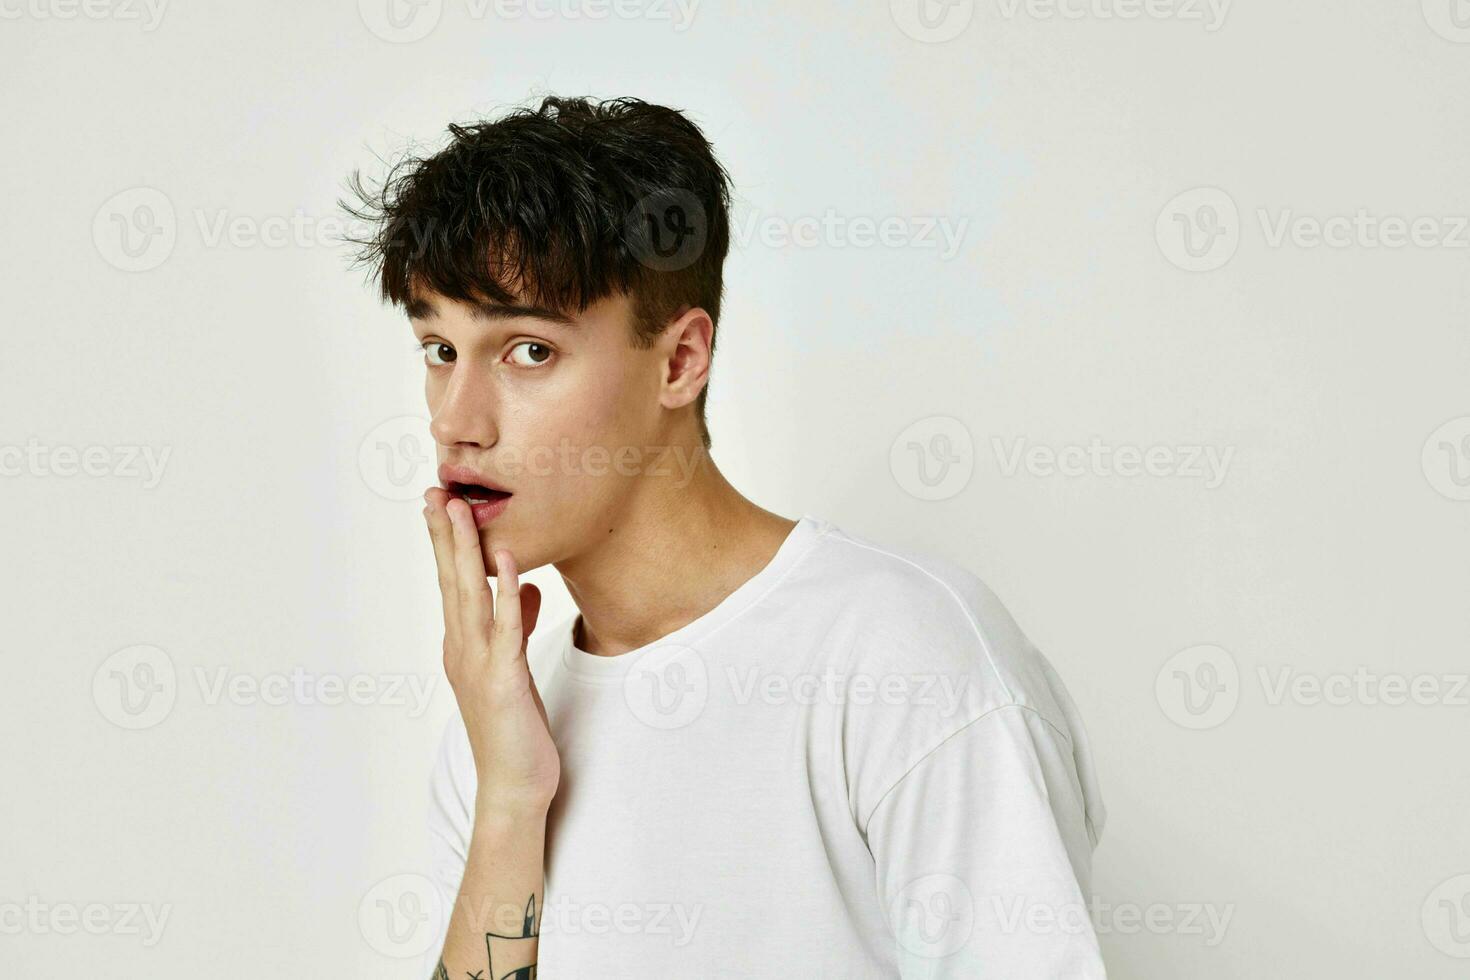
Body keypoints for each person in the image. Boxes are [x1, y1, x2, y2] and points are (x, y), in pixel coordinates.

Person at [346, 95, 1107, 979]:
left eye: (528, 352)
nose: (456, 422)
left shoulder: (905, 660)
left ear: (679, 361)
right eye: (438, 349)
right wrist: (511, 803)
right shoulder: (505, 725)